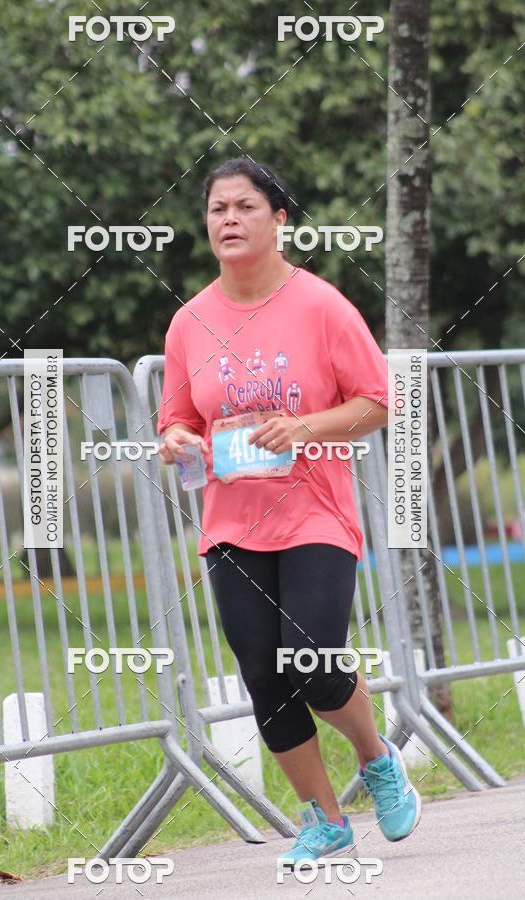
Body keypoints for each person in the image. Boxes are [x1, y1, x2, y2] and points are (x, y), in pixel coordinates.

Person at [156, 157, 420, 866]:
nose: (230, 220)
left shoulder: (321, 306)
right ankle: (324, 820)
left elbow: (379, 401)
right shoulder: (189, 323)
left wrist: (304, 428)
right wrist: (175, 439)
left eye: (245, 207)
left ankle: (376, 757)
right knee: (264, 676)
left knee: (311, 661)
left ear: (279, 219)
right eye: (218, 209)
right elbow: (177, 419)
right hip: (231, 524)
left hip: (315, 515)